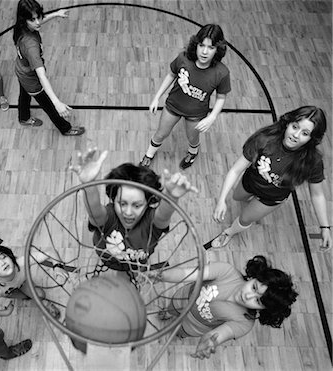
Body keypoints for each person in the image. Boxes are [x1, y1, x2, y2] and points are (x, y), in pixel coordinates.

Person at [206, 106, 332, 251]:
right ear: (288, 123)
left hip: (271, 198)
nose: (296, 135)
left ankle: (229, 232)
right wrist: (221, 200)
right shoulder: (264, 139)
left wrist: (325, 227)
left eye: (305, 133)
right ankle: (249, 199)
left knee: (245, 218)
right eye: (295, 126)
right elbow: (236, 170)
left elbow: (317, 194)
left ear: (312, 138)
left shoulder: (313, 161)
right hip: (251, 181)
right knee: (237, 197)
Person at [70, 148, 198, 271]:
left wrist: (171, 196)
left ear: (148, 202)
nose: (128, 212)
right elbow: (95, 212)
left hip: (136, 264)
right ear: (113, 199)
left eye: (137, 205)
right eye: (122, 203)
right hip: (107, 259)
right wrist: (89, 185)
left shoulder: (152, 223)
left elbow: (163, 215)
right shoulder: (109, 217)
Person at [153, 255, 298, 359]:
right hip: (183, 298)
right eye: (254, 287)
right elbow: (186, 274)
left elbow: (220, 334)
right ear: (255, 277)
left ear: (264, 310)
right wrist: (162, 275)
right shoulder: (226, 271)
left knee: (180, 332)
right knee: (171, 309)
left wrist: (210, 341)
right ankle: (168, 313)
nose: (248, 296)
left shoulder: (244, 323)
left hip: (194, 326)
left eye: (258, 302)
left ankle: (178, 334)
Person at [140, 24, 230, 170]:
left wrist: (212, 117)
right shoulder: (183, 58)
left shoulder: (222, 73)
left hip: (196, 114)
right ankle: (148, 155)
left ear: (217, 50)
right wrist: (157, 97)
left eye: (211, 47)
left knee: (193, 138)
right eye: (202, 45)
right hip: (173, 106)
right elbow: (171, 74)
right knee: (160, 134)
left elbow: (221, 97)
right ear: (196, 44)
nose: (205, 51)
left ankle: (193, 153)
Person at [13, 0, 85, 134]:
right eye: (33, 19)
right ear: (25, 20)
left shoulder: (21, 26)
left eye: (38, 17)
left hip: (21, 70)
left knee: (24, 95)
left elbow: (38, 21)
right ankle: (65, 128)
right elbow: (41, 76)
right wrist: (57, 103)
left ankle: (23, 117)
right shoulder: (31, 46)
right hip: (31, 78)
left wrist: (56, 14)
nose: (38, 22)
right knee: (49, 106)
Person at [0, 244, 60, 318]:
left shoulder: (21, 263)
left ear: (10, 256)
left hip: (21, 283)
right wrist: (6, 312)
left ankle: (43, 303)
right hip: (9, 291)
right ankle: (41, 302)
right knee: (34, 295)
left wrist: (58, 266)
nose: (2, 263)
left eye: (3, 257)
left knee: (40, 294)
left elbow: (50, 252)